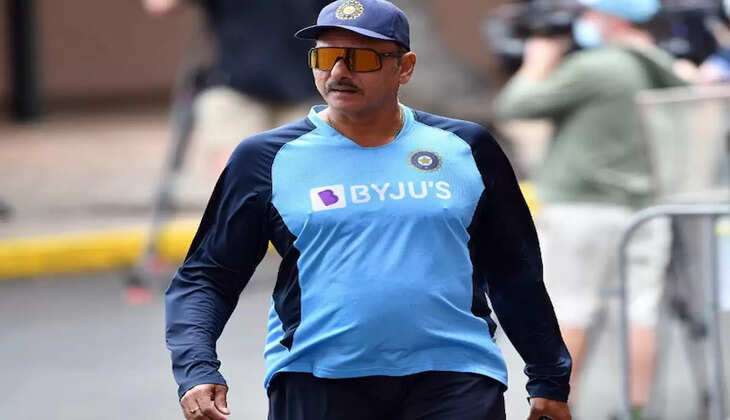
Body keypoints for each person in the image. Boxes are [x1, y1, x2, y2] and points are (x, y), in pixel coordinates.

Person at [165, 1, 572, 419]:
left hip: (457, 375)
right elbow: (207, 275)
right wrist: (196, 368)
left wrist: (548, 377)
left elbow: (514, 272)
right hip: (316, 378)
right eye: (326, 57)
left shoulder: (466, 148)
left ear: (405, 67)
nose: (339, 72)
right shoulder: (265, 158)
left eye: (361, 59)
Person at [494, 0, 686, 418]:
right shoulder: (661, 66)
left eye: (588, 13)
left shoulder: (598, 67)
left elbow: (515, 105)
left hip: (582, 208)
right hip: (643, 209)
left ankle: (555, 408)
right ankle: (637, 411)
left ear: (611, 17)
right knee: (641, 311)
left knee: (569, 309)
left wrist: (537, 59)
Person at [142, 0, 328, 194]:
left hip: (304, 92)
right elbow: (159, 5)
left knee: (305, 189)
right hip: (234, 90)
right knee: (238, 184)